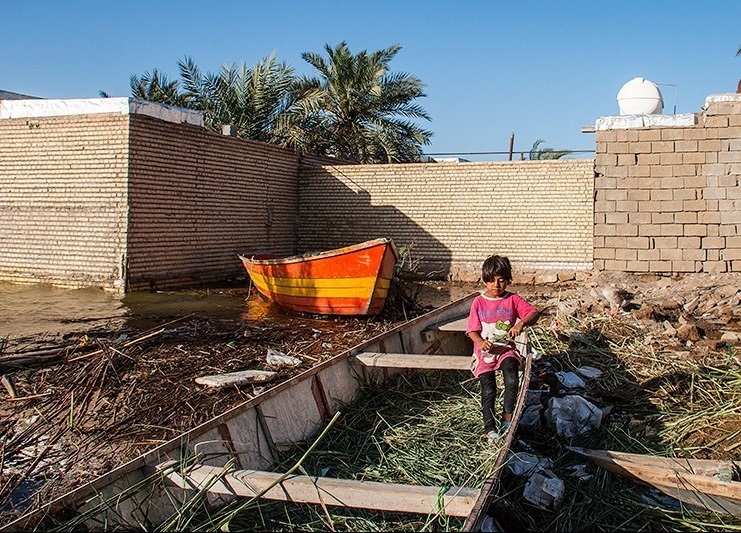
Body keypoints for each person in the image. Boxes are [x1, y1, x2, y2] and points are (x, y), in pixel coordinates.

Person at [466, 255, 540, 443]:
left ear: (508, 280)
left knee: (512, 377)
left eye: (501, 280)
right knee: (489, 389)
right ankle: (490, 428)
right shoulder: (479, 302)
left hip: (506, 349)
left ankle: (507, 418)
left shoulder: (513, 299)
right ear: (484, 280)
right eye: (491, 280)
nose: (496, 285)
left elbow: (533, 313)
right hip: (485, 352)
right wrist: (481, 342)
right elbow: (471, 331)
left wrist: (520, 324)